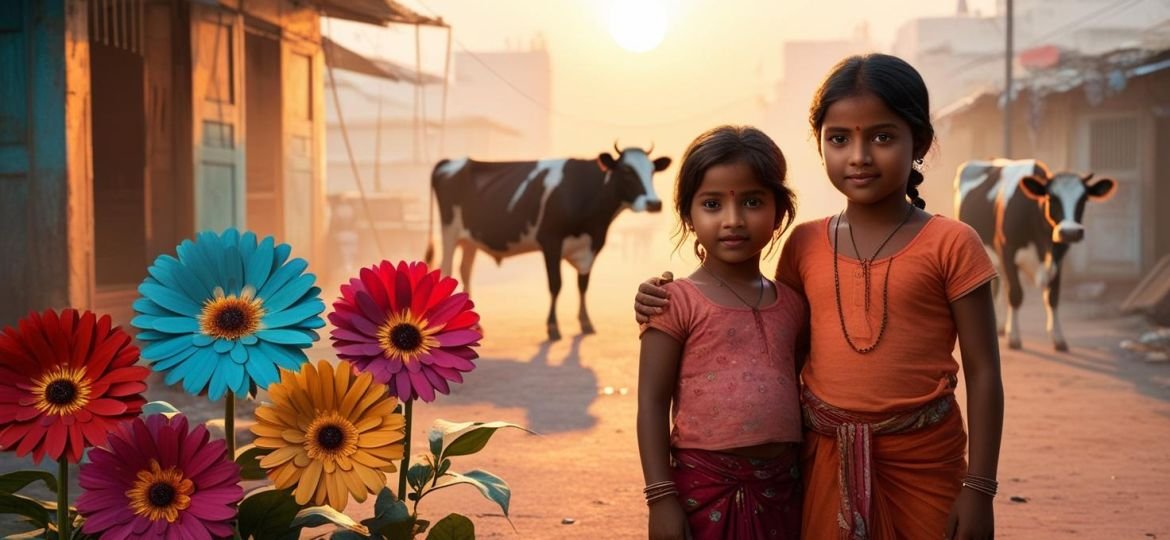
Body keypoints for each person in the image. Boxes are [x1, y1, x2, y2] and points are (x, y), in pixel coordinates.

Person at [635, 54, 1004, 540]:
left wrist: (978, 487)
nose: (859, 156)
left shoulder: (953, 243)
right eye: (839, 139)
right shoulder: (805, 245)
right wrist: (661, 297)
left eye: (883, 136)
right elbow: (774, 348)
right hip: (822, 464)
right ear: (821, 144)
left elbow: (983, 370)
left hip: (925, 462)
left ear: (921, 142)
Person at [637, 125, 806, 540]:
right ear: (689, 216)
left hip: (783, 491)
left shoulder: (794, 304)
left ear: (780, 212)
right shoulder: (674, 301)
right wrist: (661, 498)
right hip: (703, 491)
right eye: (712, 204)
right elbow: (652, 403)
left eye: (752, 201)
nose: (733, 220)